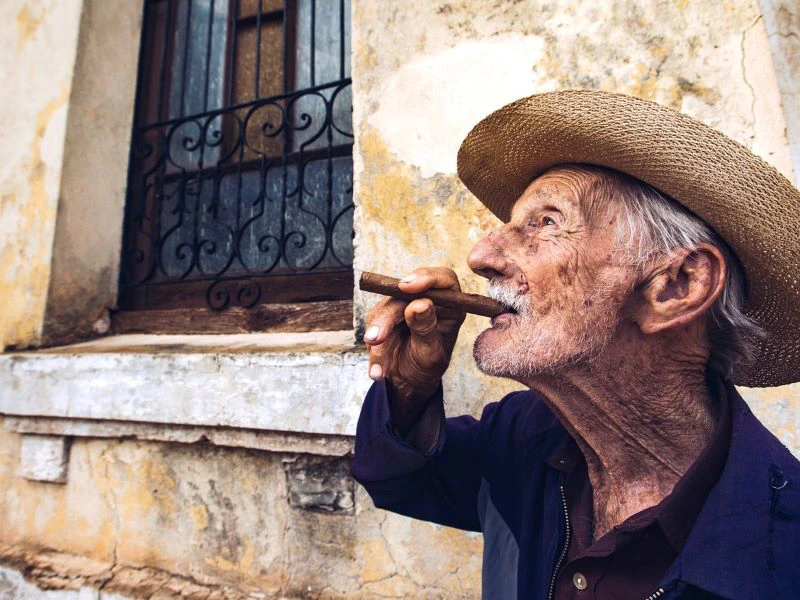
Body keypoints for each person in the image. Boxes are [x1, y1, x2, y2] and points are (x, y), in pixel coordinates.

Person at [350, 90, 800, 599]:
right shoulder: (525, 438)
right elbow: (394, 477)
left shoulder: (780, 557)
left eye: (545, 222)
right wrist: (410, 384)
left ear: (678, 286)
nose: (480, 256)